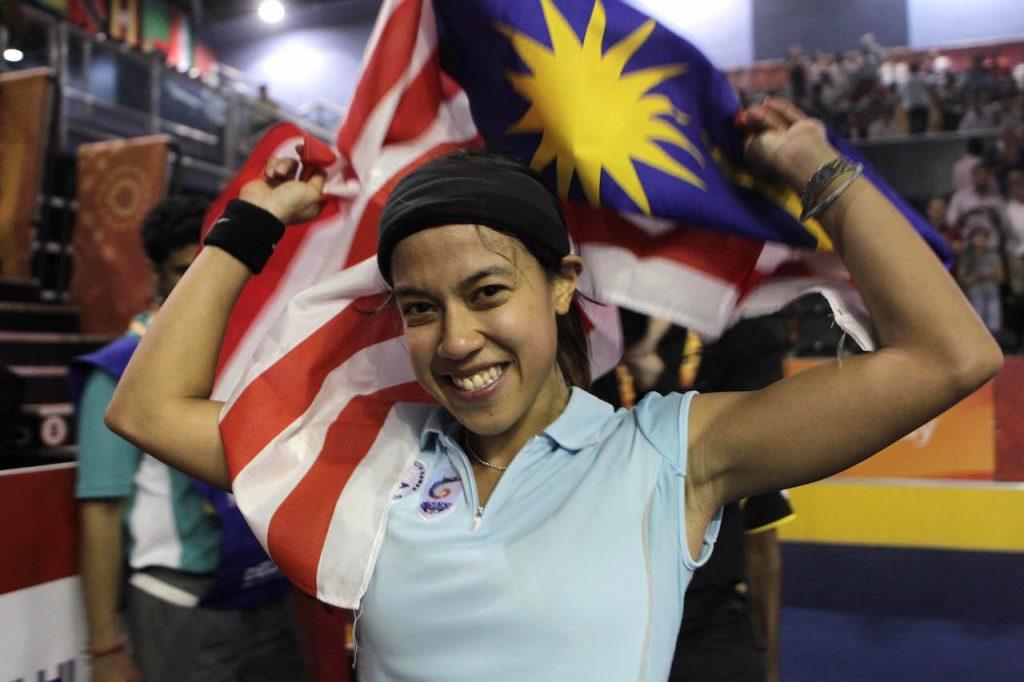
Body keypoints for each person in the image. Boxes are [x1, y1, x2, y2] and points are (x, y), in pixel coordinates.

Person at [103, 98, 1002, 681]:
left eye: (489, 293)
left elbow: (950, 356)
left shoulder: (668, 452)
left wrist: (820, 167)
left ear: (563, 284)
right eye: (420, 308)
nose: (457, 341)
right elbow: (144, 411)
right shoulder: (363, 458)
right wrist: (247, 225)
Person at [73, 196, 306, 682]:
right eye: (186, 270)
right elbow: (102, 511)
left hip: (266, 593)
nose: (202, 284)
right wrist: (104, 648)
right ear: (154, 272)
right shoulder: (118, 371)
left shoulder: (252, 355)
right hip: (181, 602)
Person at [957, 227, 1004, 333]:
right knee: (978, 317)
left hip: (991, 290)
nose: (980, 239)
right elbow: (962, 279)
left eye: (983, 237)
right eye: (977, 236)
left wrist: (992, 274)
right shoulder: (967, 256)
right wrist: (979, 276)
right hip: (975, 290)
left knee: (994, 319)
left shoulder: (993, 255)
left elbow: (1001, 278)